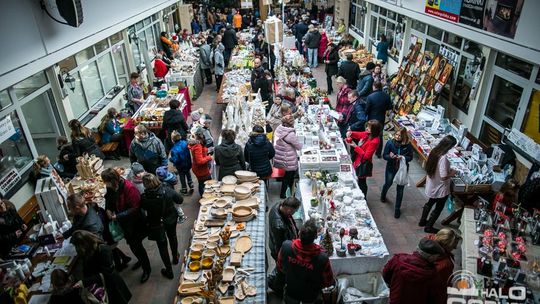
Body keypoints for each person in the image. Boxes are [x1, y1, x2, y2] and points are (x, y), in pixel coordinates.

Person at [101, 168, 151, 283]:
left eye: (106, 181)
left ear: (112, 180)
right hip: (125, 223)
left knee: (137, 246)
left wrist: (117, 216)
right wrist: (108, 209)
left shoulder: (129, 188)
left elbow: (135, 208)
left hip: (135, 223)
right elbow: (109, 199)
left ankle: (146, 269)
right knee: (132, 245)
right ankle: (140, 260)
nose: (105, 184)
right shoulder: (111, 187)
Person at [277, 219, 335, 303]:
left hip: (291, 291)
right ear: (315, 237)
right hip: (310, 296)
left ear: (299, 233)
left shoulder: (286, 246)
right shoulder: (322, 258)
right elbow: (328, 282)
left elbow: (280, 267)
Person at [140, 174, 183, 279]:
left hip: (156, 224)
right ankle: (175, 257)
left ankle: (169, 270)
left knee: (162, 246)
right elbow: (180, 200)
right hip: (170, 219)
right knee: (172, 237)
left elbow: (143, 208)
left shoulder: (144, 197)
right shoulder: (167, 190)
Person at [70, 230, 132, 303]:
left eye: (77, 246)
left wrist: (84, 282)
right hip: (101, 284)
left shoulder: (103, 250)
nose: (77, 248)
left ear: (84, 243)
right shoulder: (88, 250)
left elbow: (106, 275)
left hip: (111, 286)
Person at [382, 238, 443, 304]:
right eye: (436, 256)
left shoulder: (397, 260)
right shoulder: (433, 276)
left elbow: (385, 275)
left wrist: (394, 286)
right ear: (431, 257)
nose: (437, 259)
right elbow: (434, 299)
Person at [419, 135, 458, 233]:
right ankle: (429, 226)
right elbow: (444, 176)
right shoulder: (443, 158)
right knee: (439, 207)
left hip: (433, 183)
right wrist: (452, 173)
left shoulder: (434, 151)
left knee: (430, 202)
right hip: (440, 186)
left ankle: (422, 221)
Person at [380, 128, 413, 218]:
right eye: (396, 135)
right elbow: (385, 156)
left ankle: (397, 208)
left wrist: (403, 157)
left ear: (404, 137)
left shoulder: (408, 145)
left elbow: (410, 157)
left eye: (400, 136)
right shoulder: (390, 143)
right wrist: (392, 157)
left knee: (400, 189)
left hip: (402, 169)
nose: (397, 137)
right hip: (391, 167)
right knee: (388, 183)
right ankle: (383, 195)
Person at [346, 120, 382, 196]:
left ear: (374, 130)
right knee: (359, 179)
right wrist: (351, 133)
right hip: (358, 160)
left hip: (363, 163)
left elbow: (366, 156)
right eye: (367, 126)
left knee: (362, 181)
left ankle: (363, 196)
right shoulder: (368, 134)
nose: (367, 128)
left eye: (369, 127)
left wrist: (355, 146)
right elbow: (360, 134)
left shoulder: (375, 141)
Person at [274, 114, 303, 199]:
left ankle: (287, 191)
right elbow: (299, 147)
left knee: (286, 175)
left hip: (281, 154)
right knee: (288, 176)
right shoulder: (290, 134)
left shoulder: (279, 129)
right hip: (288, 157)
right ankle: (285, 193)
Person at [429, 228, 461, 303]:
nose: (455, 248)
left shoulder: (429, 240)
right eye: (453, 246)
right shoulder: (445, 264)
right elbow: (442, 284)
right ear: (446, 246)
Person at [366, 81, 393, 158]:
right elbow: (389, 107)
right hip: (381, 117)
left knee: (370, 133)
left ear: (374, 86)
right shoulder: (386, 96)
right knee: (379, 135)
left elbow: (367, 109)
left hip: (372, 118)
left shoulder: (370, 96)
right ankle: (378, 152)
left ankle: (368, 149)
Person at [188, 130, 213, 196]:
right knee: (206, 183)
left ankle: (203, 196)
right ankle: (204, 197)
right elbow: (200, 161)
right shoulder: (198, 146)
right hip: (201, 170)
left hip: (199, 168)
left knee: (202, 183)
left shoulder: (197, 144)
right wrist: (209, 158)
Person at [169, 131, 194, 195]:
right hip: (188, 163)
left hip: (180, 166)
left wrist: (171, 159)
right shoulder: (185, 143)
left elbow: (176, 160)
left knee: (182, 177)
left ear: (172, 140)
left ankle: (184, 189)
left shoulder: (173, 149)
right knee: (188, 174)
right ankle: (191, 185)